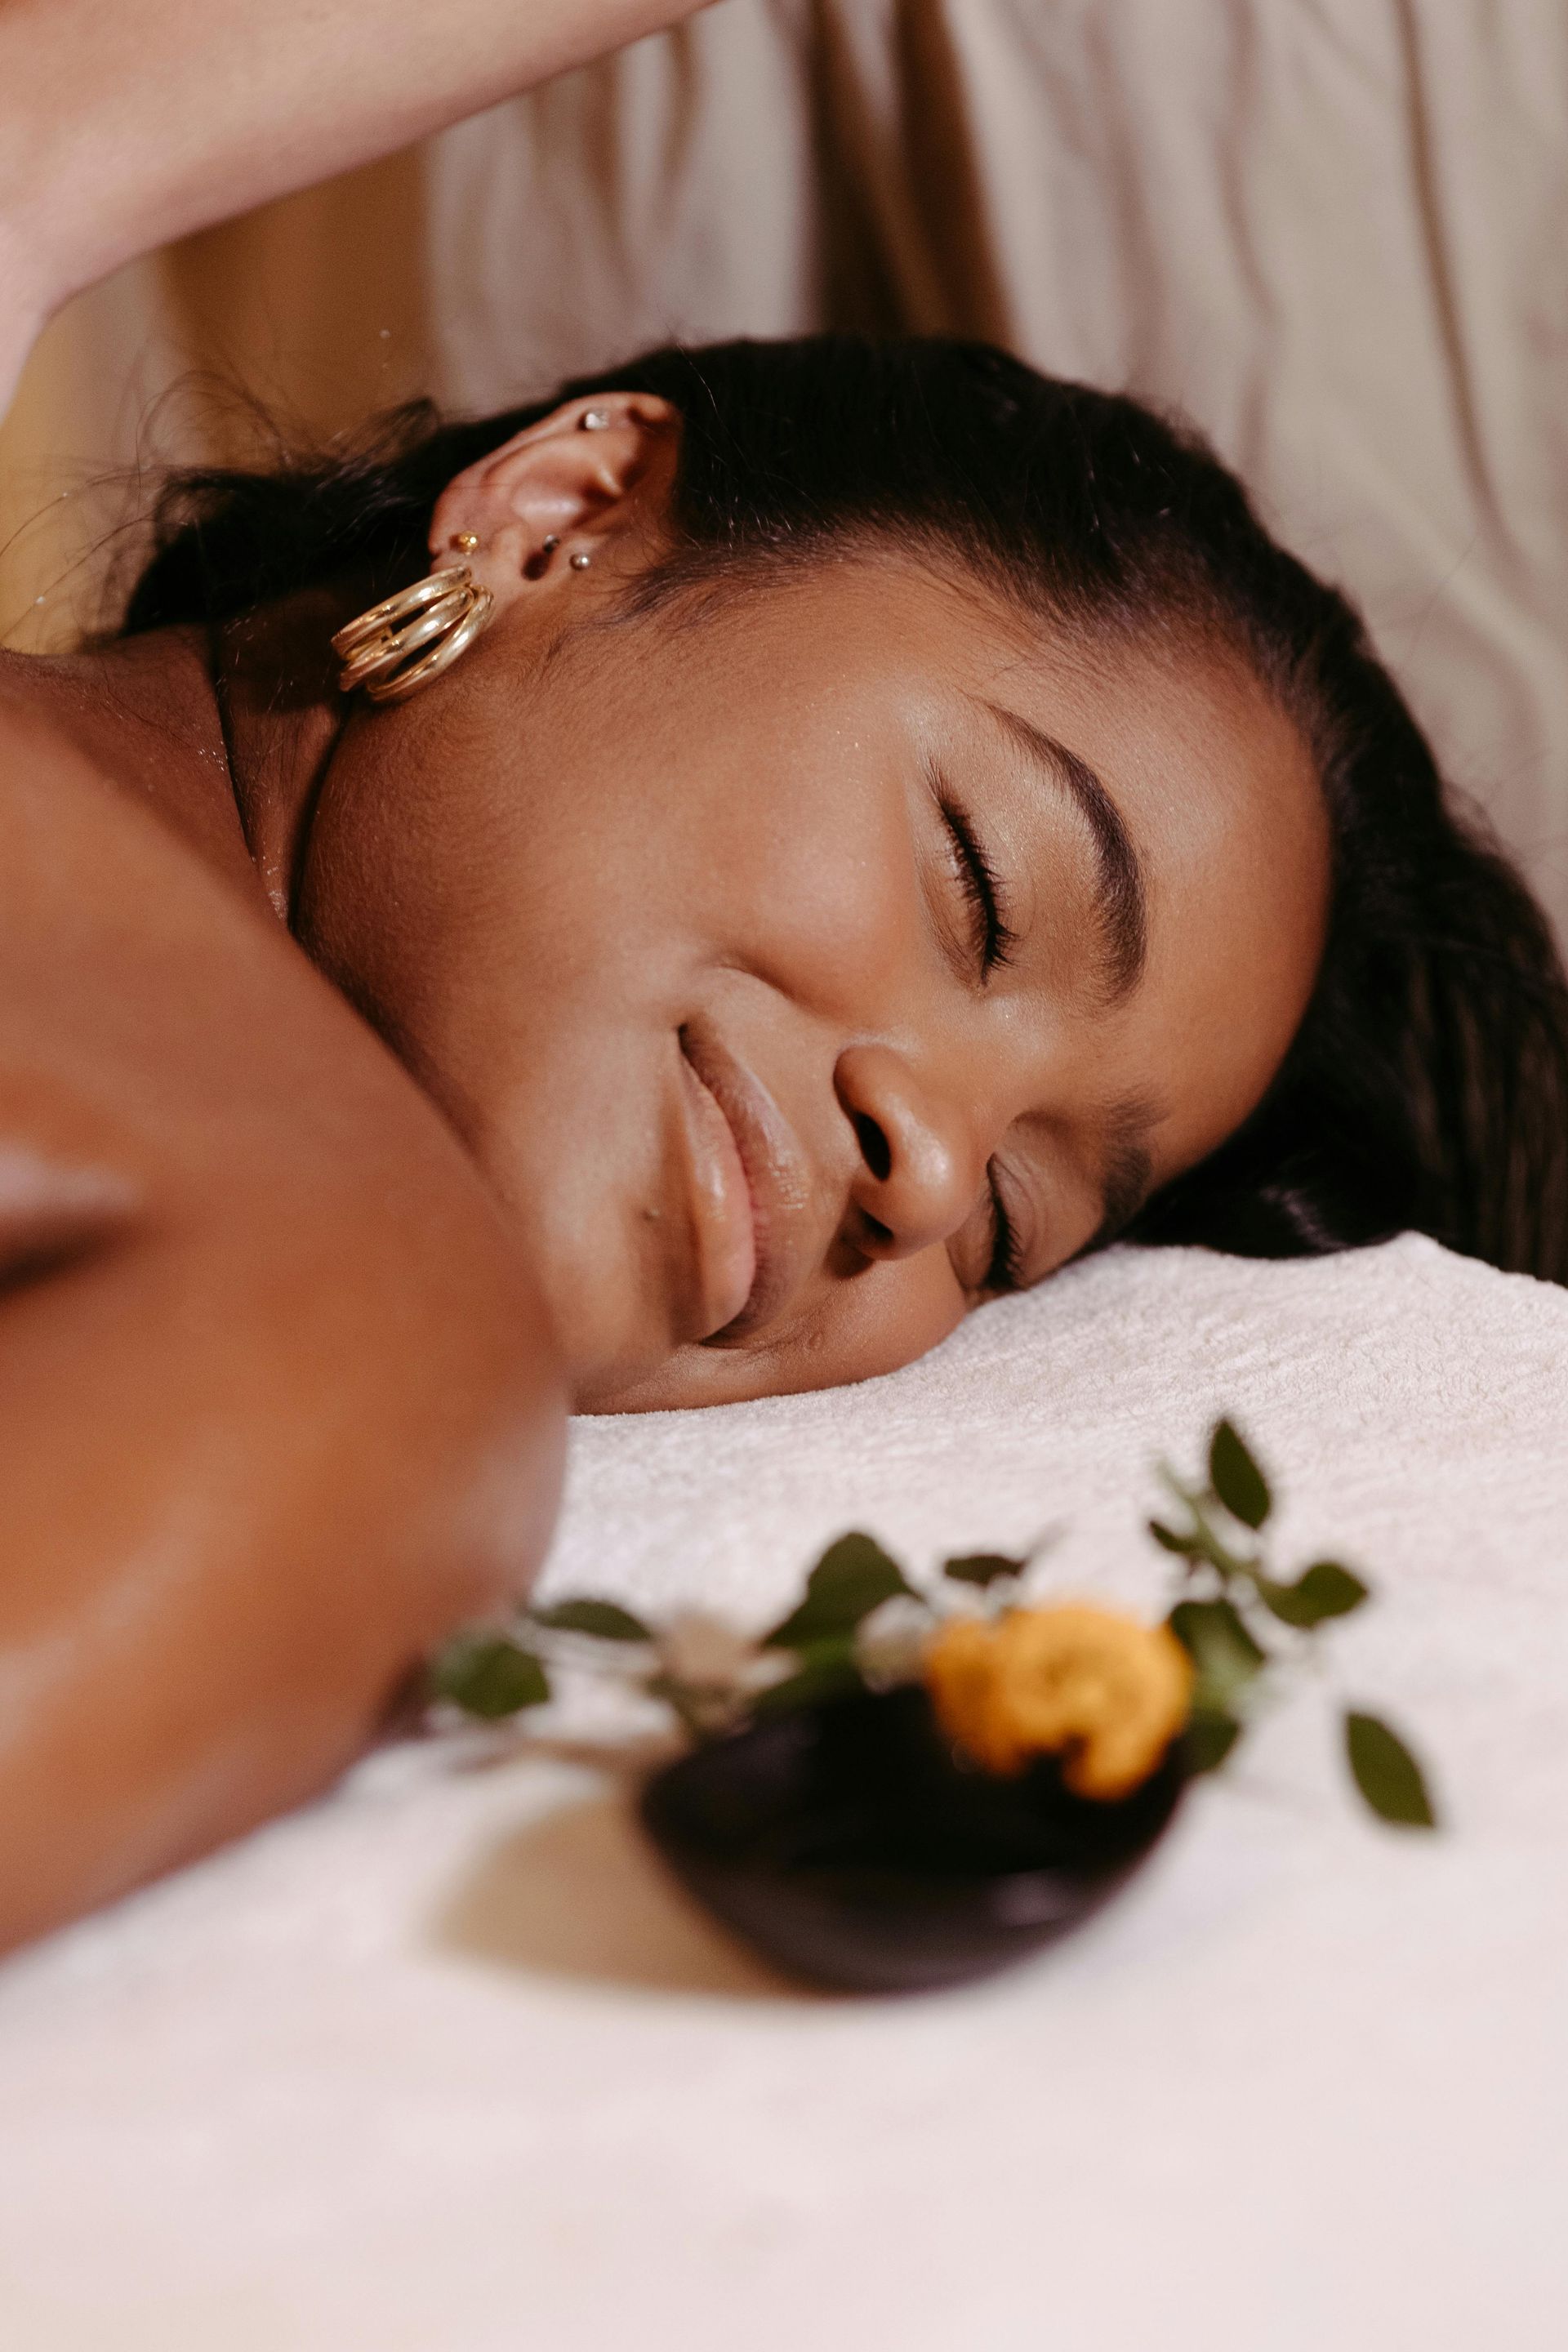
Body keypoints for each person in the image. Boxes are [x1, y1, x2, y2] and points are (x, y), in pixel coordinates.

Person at [1, 2, 1565, 1953]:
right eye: (979, 886)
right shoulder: (373, 1325)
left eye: (1009, 1221)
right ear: (564, 518)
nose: (924, 1166)